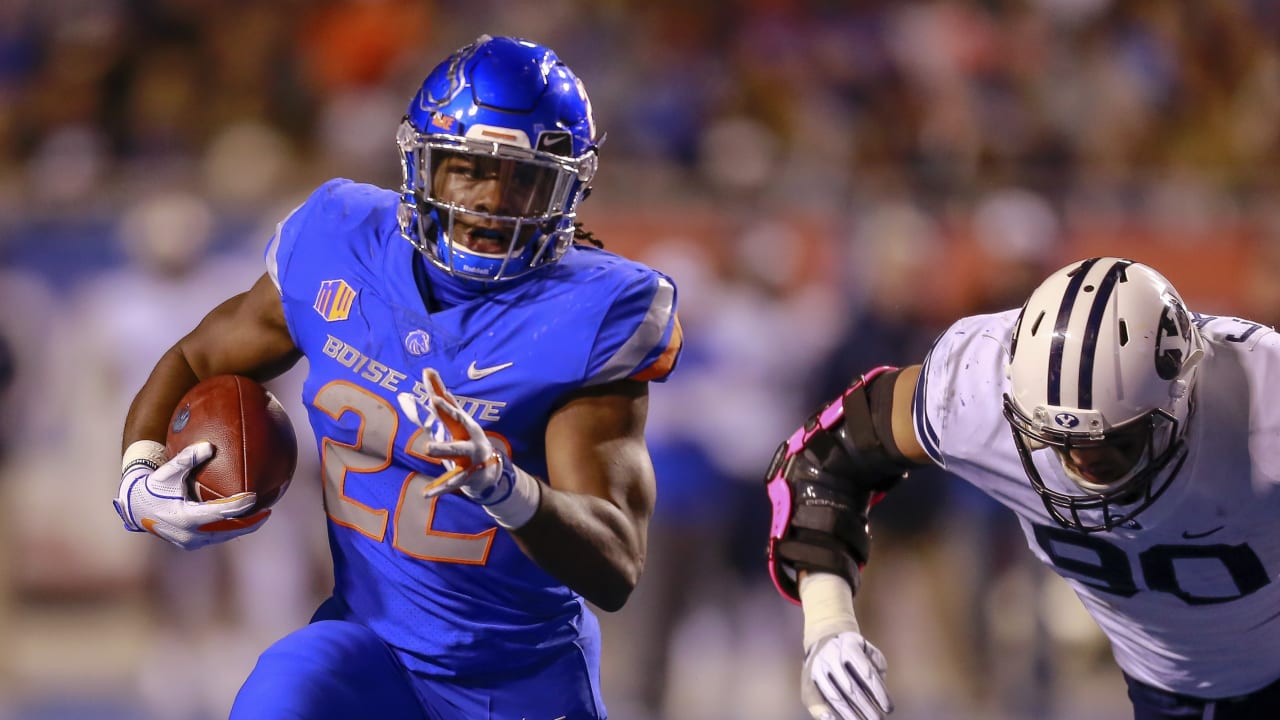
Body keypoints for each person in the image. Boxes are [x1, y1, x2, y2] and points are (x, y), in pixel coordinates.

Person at [111, 34, 682, 720]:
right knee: (284, 687)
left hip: (518, 677)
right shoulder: (340, 241)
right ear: (421, 164)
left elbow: (616, 563)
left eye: (524, 178)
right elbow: (197, 360)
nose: (492, 204)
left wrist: (505, 487)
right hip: (367, 649)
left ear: (568, 189)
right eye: (469, 169)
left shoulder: (587, 313)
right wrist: (138, 476)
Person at [765, 256, 1280, 720]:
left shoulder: (1264, 403)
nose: (1084, 461)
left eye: (1116, 443)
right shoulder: (976, 387)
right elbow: (822, 462)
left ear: (1182, 394)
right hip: (1162, 692)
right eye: (1058, 441)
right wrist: (827, 626)